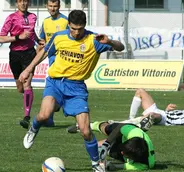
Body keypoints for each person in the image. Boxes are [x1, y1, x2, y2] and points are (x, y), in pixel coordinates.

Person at [19, 10, 124, 172]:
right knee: (44, 115)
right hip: (55, 83)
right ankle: (33, 128)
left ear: (84, 26)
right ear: (68, 25)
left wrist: (109, 42)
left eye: (80, 29)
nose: (76, 32)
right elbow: (44, 53)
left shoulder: (94, 40)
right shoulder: (59, 36)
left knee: (85, 130)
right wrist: (28, 70)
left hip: (76, 89)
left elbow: (120, 47)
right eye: (73, 28)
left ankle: (96, 163)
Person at [0, 0, 43, 129]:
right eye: (20, 1)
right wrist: (18, 37)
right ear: (17, 3)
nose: (23, 4)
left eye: (25, 1)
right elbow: (1, 37)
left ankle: (26, 117)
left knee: (27, 84)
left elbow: (32, 33)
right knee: (20, 87)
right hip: (15, 55)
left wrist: (38, 40)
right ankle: (26, 95)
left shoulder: (33, 16)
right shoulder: (11, 18)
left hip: (29, 54)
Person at [37, 0, 69, 127]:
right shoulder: (45, 22)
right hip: (51, 60)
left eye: (55, 6)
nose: (52, 8)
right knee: (53, 89)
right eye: (50, 6)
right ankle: (50, 116)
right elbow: (42, 39)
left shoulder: (65, 21)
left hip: (64, 60)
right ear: (46, 6)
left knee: (62, 87)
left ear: (59, 6)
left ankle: (57, 108)